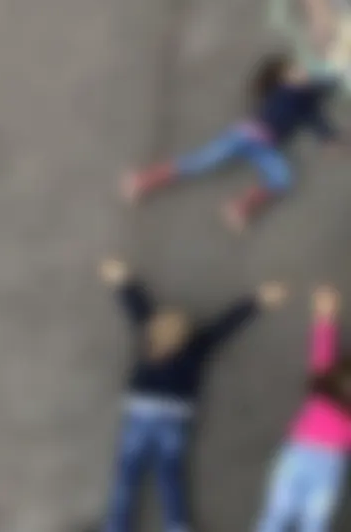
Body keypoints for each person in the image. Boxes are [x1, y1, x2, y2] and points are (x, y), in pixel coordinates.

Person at [96, 258, 285, 532]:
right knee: (170, 478)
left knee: (127, 477)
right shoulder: (197, 347)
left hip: (141, 412)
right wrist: (259, 300)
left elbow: (136, 305)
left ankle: (116, 526)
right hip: (175, 416)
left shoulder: (149, 337)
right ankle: (178, 526)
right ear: (187, 334)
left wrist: (121, 278)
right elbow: (226, 325)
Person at [121, 53, 342, 231]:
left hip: (266, 146)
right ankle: (142, 181)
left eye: (301, 71)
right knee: (199, 163)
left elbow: (315, 117)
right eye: (295, 71)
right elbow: (314, 90)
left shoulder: (305, 101)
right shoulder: (284, 92)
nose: (301, 73)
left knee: (283, 178)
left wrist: (329, 137)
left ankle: (238, 208)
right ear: (283, 77)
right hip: (244, 136)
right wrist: (329, 77)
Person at [255, 286, 351, 532]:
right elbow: (323, 350)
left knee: (315, 522)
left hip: (328, 462)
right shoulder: (322, 386)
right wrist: (325, 315)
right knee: (276, 515)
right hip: (299, 454)